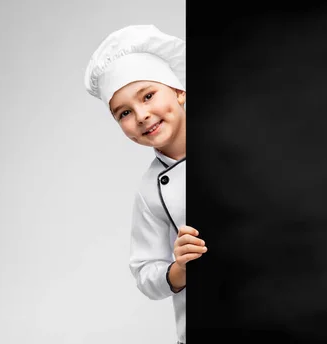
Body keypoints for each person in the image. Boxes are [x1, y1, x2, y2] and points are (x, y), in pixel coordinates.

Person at [84, 24, 206, 344]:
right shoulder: (151, 190)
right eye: (124, 112)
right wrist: (178, 269)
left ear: (180, 91)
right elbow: (145, 270)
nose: (141, 115)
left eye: (148, 95)